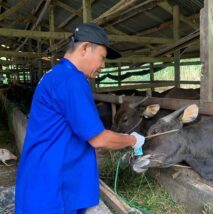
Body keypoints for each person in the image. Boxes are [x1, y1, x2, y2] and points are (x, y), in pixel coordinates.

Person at [15, 23, 145, 214]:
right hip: (53, 185)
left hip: (42, 175)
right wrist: (133, 140)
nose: (103, 65)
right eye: (102, 57)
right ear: (85, 48)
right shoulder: (72, 80)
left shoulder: (56, 75)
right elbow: (99, 139)